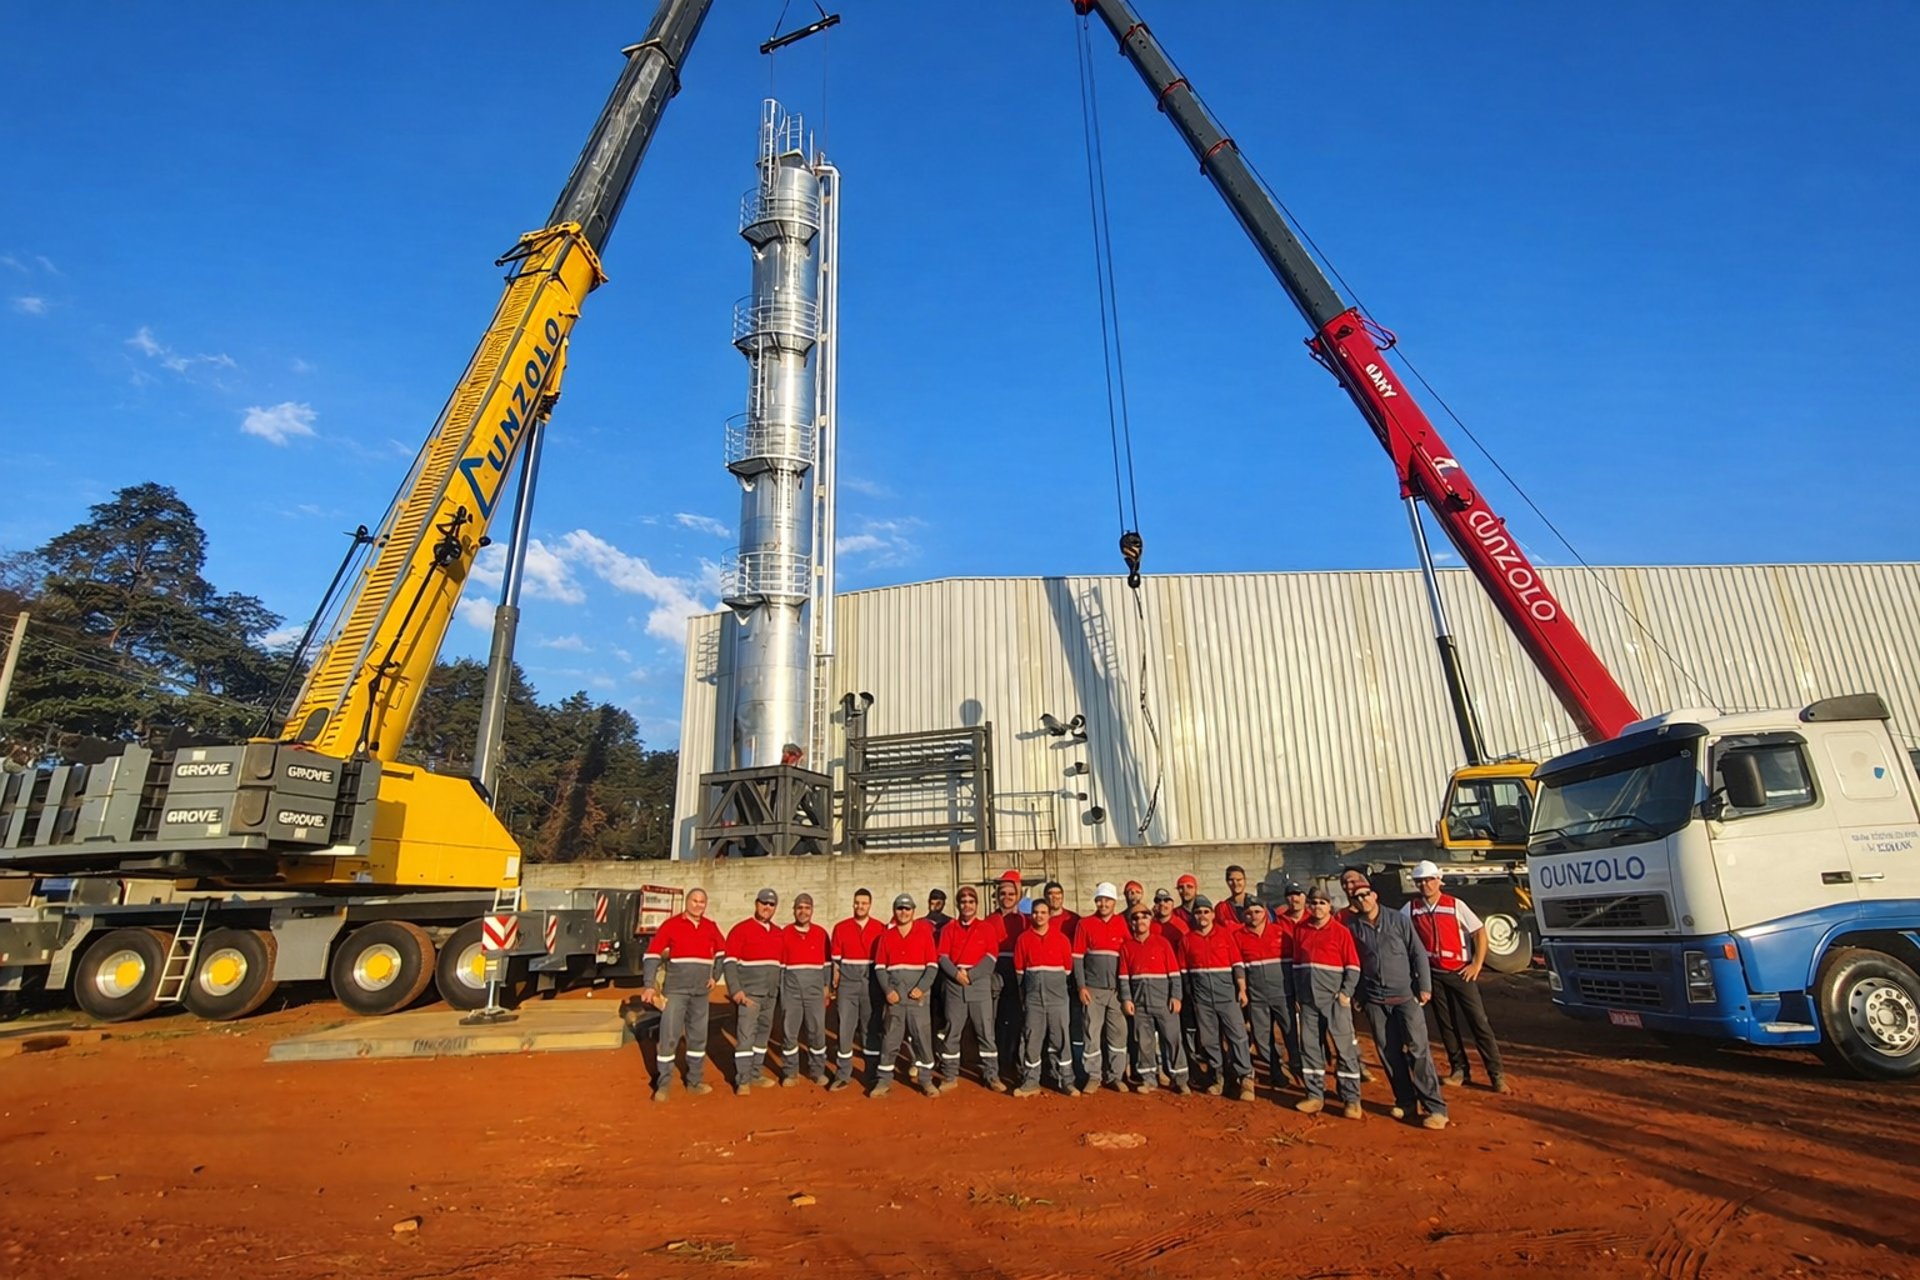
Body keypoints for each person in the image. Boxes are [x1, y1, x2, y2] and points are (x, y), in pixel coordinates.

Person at [1348, 875, 1449, 1130]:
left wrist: (1424, 987)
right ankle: (1405, 1102)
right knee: (1389, 1052)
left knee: (1418, 1050)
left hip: (1405, 997)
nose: (1362, 899)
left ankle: (1435, 1108)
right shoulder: (1353, 927)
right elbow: (1354, 963)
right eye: (1357, 897)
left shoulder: (1398, 919)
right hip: (1375, 1001)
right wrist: (1360, 995)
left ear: (1375, 895)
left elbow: (1417, 953)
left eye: (1366, 894)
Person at [1403, 861, 1507, 1092]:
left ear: (1439, 880)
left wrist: (1476, 964)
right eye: (1420, 881)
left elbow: (1479, 932)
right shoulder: (1411, 909)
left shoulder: (1455, 905)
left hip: (1461, 973)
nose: (1425, 884)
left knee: (1478, 1022)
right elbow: (1399, 932)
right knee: (1446, 1024)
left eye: (1429, 879)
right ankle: (1459, 1069)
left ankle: (1496, 1074)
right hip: (1433, 974)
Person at [642, 888, 726, 1102]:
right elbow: (652, 955)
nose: (698, 905)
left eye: (702, 902)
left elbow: (722, 952)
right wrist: (649, 985)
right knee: (669, 1036)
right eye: (694, 901)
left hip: (700, 993)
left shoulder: (710, 926)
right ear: (687, 903)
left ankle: (694, 1082)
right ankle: (664, 1085)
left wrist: (715, 976)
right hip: (676, 991)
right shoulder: (671, 925)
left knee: (698, 1037)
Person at [1291, 886, 1363, 1119]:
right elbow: (1296, 965)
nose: (1317, 907)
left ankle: (1351, 1099)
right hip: (1308, 1000)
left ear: (1329, 906)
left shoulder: (1341, 932)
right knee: (1310, 1047)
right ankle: (1314, 1095)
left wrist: (1345, 993)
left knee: (1345, 1048)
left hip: (1334, 1000)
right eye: (1313, 903)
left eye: (1322, 903)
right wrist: (1298, 995)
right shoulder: (1300, 930)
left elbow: (1353, 966)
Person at [1182, 897, 1254, 1101]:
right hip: (1202, 998)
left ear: (1213, 914)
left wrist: (1242, 989)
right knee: (1209, 1039)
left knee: (1237, 1035)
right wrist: (1191, 996)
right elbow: (1184, 972)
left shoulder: (1225, 935)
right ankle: (1218, 1077)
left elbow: (1237, 964)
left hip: (1227, 996)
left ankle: (1245, 1077)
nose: (1202, 916)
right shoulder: (1187, 940)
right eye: (1198, 912)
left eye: (1206, 911)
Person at [935, 885, 1006, 1092]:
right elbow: (942, 956)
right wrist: (956, 974)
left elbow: (991, 957)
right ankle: (949, 1075)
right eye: (963, 902)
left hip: (979, 983)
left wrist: (972, 975)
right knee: (952, 1031)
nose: (967, 905)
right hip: (954, 984)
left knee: (985, 1032)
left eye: (971, 902)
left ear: (977, 904)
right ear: (958, 905)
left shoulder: (987, 928)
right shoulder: (949, 929)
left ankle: (992, 1075)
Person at [871, 894, 940, 1098]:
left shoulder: (924, 934)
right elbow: (880, 968)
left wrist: (922, 988)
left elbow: (932, 966)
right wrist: (888, 991)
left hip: (918, 998)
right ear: (894, 911)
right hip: (896, 999)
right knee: (890, 1040)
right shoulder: (886, 936)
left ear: (913, 911)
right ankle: (883, 1081)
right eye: (900, 908)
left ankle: (926, 1080)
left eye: (907, 908)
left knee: (922, 1039)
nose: (903, 912)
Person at [1120, 905, 1189, 1094]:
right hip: (1140, 1002)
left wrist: (1176, 996)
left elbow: (1174, 973)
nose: (1140, 921)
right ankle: (1149, 1079)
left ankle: (1180, 1079)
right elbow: (1124, 977)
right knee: (1144, 1042)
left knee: (1172, 1039)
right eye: (1135, 918)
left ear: (1150, 920)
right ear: (1131, 923)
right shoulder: (1127, 947)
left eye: (1144, 917)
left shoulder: (1162, 943)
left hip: (1164, 1001)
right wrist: (1127, 999)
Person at [1012, 900, 1076, 1097]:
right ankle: (1031, 1081)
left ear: (1049, 915)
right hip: (1034, 1000)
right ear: (1031, 915)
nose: (1039, 916)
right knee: (1032, 1039)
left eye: (1043, 912)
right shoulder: (1023, 939)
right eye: (1035, 912)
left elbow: (1068, 969)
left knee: (1061, 1039)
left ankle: (1066, 1080)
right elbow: (1019, 972)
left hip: (1058, 999)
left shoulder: (1061, 939)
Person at [723, 888, 785, 1093]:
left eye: (771, 904)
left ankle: (755, 1073)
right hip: (750, 996)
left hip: (770, 995)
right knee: (746, 1036)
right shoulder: (740, 930)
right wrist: (735, 990)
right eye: (763, 903)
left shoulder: (778, 933)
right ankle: (743, 1080)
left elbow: (782, 965)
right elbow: (729, 962)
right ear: (756, 904)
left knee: (762, 1036)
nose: (767, 907)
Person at [1073, 882, 1130, 1093]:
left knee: (1118, 1035)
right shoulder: (1085, 924)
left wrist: (1126, 991)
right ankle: (1093, 1076)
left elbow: (1129, 955)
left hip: (1116, 991)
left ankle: (1115, 1075)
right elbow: (1077, 958)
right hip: (1093, 990)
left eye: (1107, 900)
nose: (1103, 904)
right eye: (1100, 900)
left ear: (1114, 902)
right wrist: (1081, 986)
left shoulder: (1122, 923)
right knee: (1091, 1033)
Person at [827, 889, 885, 1091]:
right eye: (857, 903)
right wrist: (834, 981)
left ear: (870, 905)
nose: (860, 906)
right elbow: (836, 962)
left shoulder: (880, 928)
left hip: (871, 983)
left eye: (864, 903)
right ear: (853, 904)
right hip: (848, 983)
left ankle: (872, 1074)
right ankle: (843, 1074)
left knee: (870, 1028)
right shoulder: (841, 927)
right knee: (845, 1028)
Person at [1233, 900, 1292, 1090]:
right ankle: (1276, 1070)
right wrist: (1243, 990)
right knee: (1262, 1038)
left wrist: (1296, 993)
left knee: (1290, 1035)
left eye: (1257, 911)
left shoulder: (1281, 933)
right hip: (1257, 996)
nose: (1253, 916)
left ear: (1265, 912)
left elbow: (1293, 963)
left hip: (1283, 994)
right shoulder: (1238, 936)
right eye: (1249, 912)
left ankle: (1300, 1071)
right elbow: (1239, 966)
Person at [777, 892, 831, 1086]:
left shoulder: (821, 934)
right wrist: (782, 993)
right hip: (791, 991)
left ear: (812, 910)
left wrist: (827, 987)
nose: (803, 911)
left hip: (815, 992)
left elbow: (827, 965)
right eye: (799, 908)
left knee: (817, 1032)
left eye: (807, 908)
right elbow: (781, 968)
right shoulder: (784, 934)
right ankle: (790, 1072)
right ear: (794, 910)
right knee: (789, 1032)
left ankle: (817, 1071)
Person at [1272, 882, 1311, 1087]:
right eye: (1290, 895)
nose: (1294, 899)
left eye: (1298, 894)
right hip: (1285, 978)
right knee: (1290, 1026)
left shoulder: (1314, 918)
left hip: (1310, 978)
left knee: (1315, 1027)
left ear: (1305, 897)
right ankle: (1295, 1063)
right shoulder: (1278, 921)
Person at [992, 871, 1029, 1082]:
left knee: (1017, 1021)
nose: (1006, 897)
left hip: (1018, 973)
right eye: (1003, 893)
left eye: (1011, 894)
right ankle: (998, 1064)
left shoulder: (1025, 920)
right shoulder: (990, 920)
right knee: (996, 1019)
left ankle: (1016, 1063)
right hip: (996, 972)